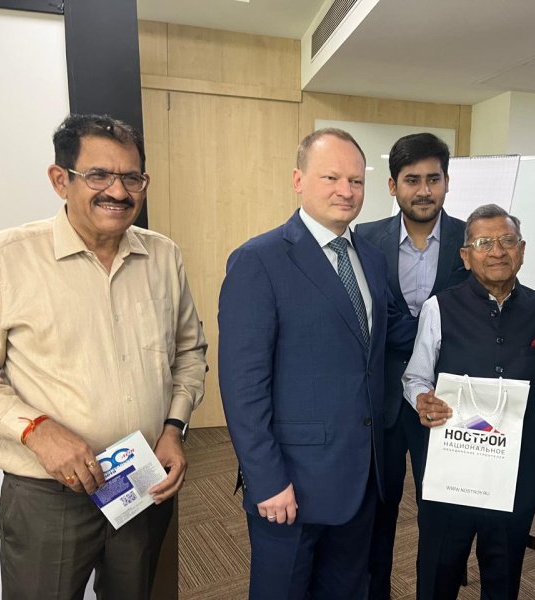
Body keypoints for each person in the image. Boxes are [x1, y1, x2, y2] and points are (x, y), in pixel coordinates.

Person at [0, 114, 208, 599]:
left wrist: (174, 429)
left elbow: (190, 351)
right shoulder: (5, 259)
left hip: (140, 479)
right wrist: (34, 428)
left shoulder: (163, 256)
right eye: (99, 175)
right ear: (60, 180)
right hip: (48, 494)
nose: (119, 192)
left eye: (132, 177)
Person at [218, 128, 388, 600]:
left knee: (347, 590)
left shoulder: (372, 260)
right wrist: (266, 479)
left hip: (360, 474)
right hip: (289, 484)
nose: (346, 191)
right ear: (298, 180)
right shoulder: (259, 260)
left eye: (356, 180)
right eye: (331, 177)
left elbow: (377, 351)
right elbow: (242, 385)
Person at [403, 204, 535, 600]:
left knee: (504, 571)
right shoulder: (439, 307)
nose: (497, 251)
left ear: (522, 250)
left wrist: (514, 408)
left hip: (515, 468)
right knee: (438, 567)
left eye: (507, 241)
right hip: (452, 465)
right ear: (466, 256)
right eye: (484, 243)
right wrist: (422, 400)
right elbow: (416, 376)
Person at [354, 132, 469, 599]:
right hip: (380, 400)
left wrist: (410, 330)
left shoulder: (472, 240)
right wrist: (429, 331)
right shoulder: (364, 239)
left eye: (433, 179)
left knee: (439, 514)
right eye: (412, 179)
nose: (424, 190)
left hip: (443, 404)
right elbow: (365, 319)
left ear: (447, 182)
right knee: (376, 515)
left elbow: (473, 319)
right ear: (392, 185)